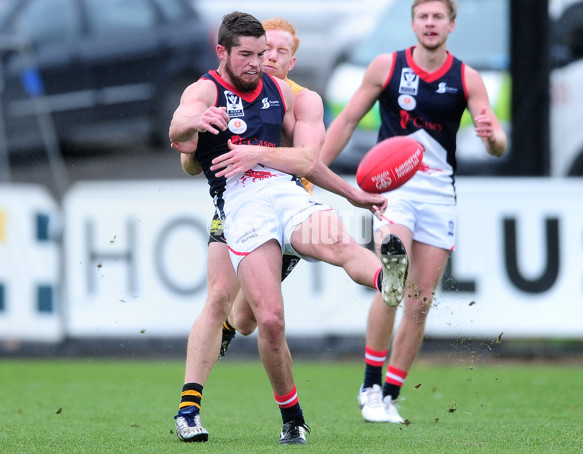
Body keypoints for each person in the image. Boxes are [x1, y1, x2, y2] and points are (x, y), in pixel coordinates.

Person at [169, 12, 408, 445]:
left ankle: (386, 279)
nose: (263, 61)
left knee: (335, 242)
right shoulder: (207, 90)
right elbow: (181, 137)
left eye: (273, 53)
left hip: (287, 194)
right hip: (239, 207)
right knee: (251, 315)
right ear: (224, 52)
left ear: (290, 59)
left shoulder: (294, 96)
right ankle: (199, 409)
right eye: (255, 53)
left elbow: (305, 161)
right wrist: (195, 130)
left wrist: (256, 155)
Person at [319, 0, 507, 424]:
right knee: (393, 275)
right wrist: (316, 170)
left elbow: (496, 142)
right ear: (413, 23)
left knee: (419, 303)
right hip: (394, 191)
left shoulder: (466, 76)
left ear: (451, 25)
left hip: (439, 195)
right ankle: (369, 385)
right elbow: (347, 120)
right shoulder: (386, 66)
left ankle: (389, 394)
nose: (430, 23)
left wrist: (492, 137)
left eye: (438, 16)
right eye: (423, 16)